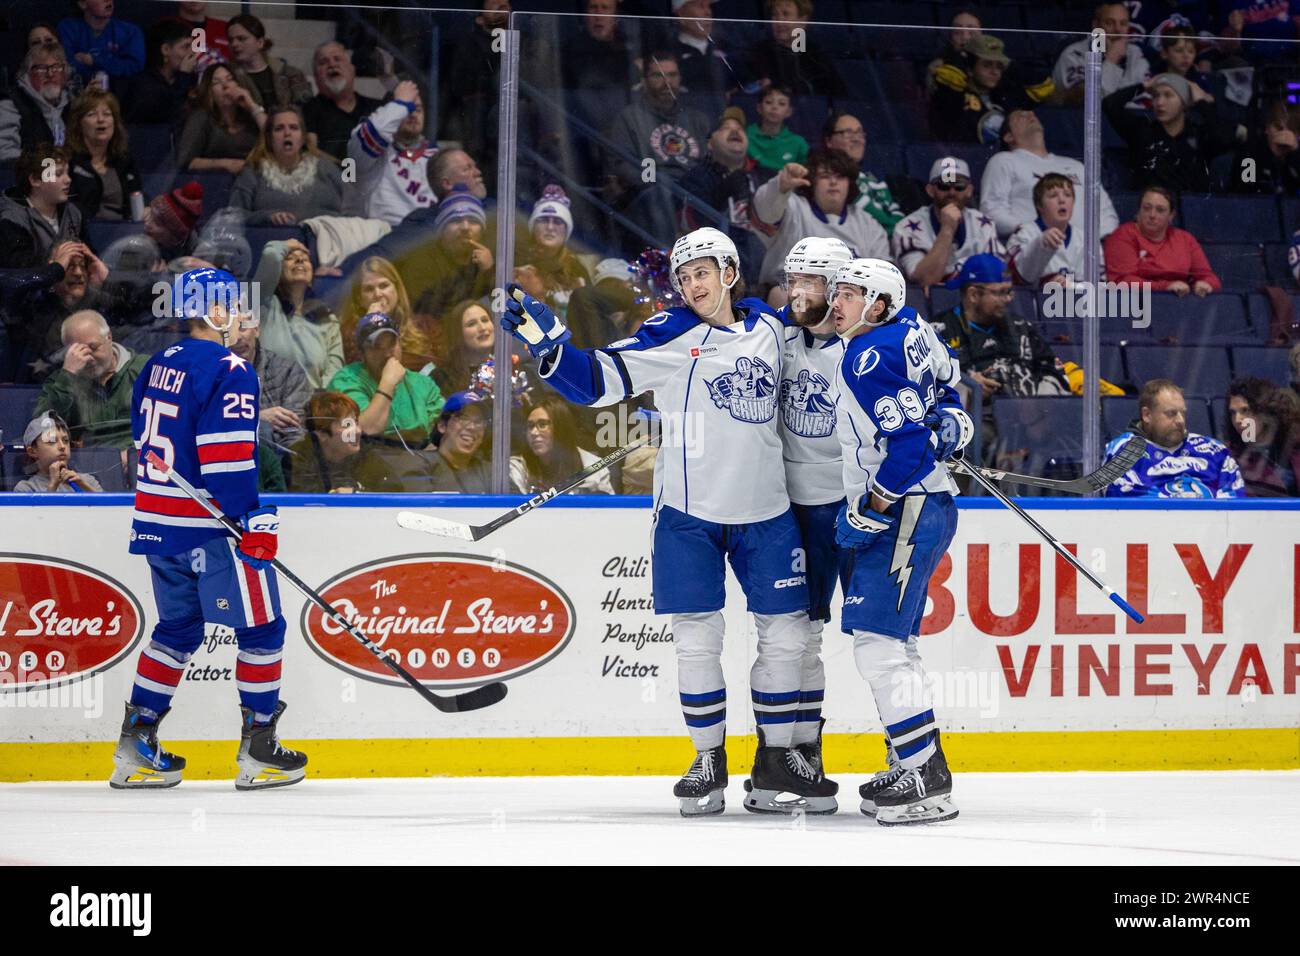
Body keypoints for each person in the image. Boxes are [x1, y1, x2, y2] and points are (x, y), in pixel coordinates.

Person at [503, 226, 831, 816]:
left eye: (702, 272)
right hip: (688, 516)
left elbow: (832, 326)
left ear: (729, 272)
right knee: (696, 642)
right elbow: (598, 383)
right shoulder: (671, 334)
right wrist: (546, 343)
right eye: (683, 277)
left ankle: (776, 759)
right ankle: (708, 758)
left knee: (785, 637)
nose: (691, 284)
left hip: (768, 512)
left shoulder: (773, 327)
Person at [112, 266, 308, 790]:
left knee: (176, 631)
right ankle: (260, 751)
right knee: (263, 629)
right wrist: (254, 520)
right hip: (212, 530)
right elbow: (225, 463)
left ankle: (136, 746)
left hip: (159, 523)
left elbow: (141, 439)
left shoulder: (156, 365)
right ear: (215, 312)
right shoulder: (232, 369)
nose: (245, 318)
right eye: (238, 308)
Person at [826, 256, 969, 825]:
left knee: (876, 647)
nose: (837, 303)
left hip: (906, 510)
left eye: (851, 295)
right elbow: (949, 387)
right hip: (932, 505)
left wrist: (872, 507)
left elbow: (908, 450)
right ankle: (919, 763)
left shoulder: (868, 356)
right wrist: (954, 422)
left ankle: (925, 777)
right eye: (837, 292)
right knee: (897, 645)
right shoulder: (915, 329)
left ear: (879, 305)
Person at [771, 237, 855, 779]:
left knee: (884, 639)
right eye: (794, 279)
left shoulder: (870, 343)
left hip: (860, 504)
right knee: (803, 632)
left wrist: (949, 415)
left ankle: (909, 752)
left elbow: (934, 374)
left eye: (813, 282)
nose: (799, 291)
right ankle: (804, 754)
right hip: (796, 507)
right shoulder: (770, 334)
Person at [753, 149, 891, 297]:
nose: (833, 182)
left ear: (849, 183)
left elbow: (883, 275)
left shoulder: (867, 223)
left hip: (848, 299)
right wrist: (780, 186)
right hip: (792, 293)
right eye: (825, 176)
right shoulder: (794, 207)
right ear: (812, 182)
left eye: (840, 177)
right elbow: (765, 214)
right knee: (780, 295)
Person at [979, 110, 1119, 241]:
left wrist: (1091, 242)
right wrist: (1031, 232)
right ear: (1008, 136)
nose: (1030, 114)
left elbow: (1105, 211)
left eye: (1031, 113)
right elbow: (991, 209)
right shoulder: (1004, 160)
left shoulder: (1076, 166)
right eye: (1020, 116)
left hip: (1082, 252)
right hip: (1034, 247)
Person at [1104, 378, 1244, 498]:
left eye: (1182, 413)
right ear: (1147, 415)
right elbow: (1128, 506)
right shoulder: (1122, 450)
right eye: (1171, 413)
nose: (1180, 421)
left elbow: (1235, 501)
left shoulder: (1215, 451)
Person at [1104, 72, 1237, 193]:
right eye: (1156, 96)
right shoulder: (1142, 130)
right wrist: (1143, 86)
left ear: (1184, 102)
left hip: (1190, 211)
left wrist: (1200, 101)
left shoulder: (1199, 135)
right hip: (1151, 210)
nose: (1160, 102)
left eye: (1168, 95)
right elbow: (1109, 104)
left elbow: (1224, 137)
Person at [34, 309, 148, 448]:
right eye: (78, 351)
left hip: (138, 461)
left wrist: (133, 454)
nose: (88, 358)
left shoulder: (146, 369)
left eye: (93, 347)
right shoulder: (61, 380)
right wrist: (68, 376)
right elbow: (41, 429)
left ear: (109, 337)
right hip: (84, 464)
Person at [328, 310, 444, 447]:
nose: (388, 353)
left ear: (400, 344)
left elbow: (443, 430)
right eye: (377, 346)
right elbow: (364, 431)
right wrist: (388, 383)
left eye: (392, 343)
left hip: (418, 462)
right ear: (362, 353)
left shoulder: (422, 383)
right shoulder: (346, 380)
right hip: (367, 462)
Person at [679, 107, 770, 279]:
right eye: (725, 128)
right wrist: (723, 192)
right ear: (710, 143)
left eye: (740, 128)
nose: (735, 131)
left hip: (762, 259)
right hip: (718, 264)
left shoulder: (763, 176)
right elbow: (692, 226)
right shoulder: (695, 178)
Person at [892, 157, 1003, 288]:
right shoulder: (906, 228)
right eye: (944, 186)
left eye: (959, 186)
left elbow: (998, 276)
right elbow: (925, 279)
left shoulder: (983, 224)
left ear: (969, 190)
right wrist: (947, 230)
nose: (952, 192)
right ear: (930, 190)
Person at [251, 238, 343, 390]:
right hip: (268, 405)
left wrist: (318, 403)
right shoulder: (261, 304)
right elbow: (270, 254)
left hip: (311, 407)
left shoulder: (326, 318)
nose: (299, 259)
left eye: (305, 259)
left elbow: (334, 372)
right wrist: (286, 245)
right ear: (277, 272)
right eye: (290, 258)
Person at [928, 34, 1055, 144]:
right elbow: (951, 77)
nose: (994, 72)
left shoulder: (1005, 95)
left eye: (999, 66)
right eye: (987, 65)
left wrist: (1010, 66)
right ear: (970, 69)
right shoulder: (953, 94)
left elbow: (1044, 87)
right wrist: (962, 60)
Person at [229, 105, 344, 226]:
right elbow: (233, 216)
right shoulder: (253, 171)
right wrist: (266, 217)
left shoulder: (326, 167)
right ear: (269, 138)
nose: (287, 133)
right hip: (271, 240)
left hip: (326, 239)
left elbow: (354, 207)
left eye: (294, 128)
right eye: (279, 129)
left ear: (303, 137)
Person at [344, 79, 435, 225]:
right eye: (407, 109)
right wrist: (401, 104)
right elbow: (376, 131)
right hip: (384, 237)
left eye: (417, 109)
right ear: (391, 111)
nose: (413, 114)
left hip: (428, 238)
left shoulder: (437, 157)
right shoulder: (370, 154)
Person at [1103, 185, 1220, 295]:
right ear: (1138, 211)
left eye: (1160, 210)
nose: (1152, 215)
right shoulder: (1121, 237)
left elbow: (1209, 277)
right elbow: (1122, 281)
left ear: (1171, 216)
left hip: (1180, 303)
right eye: (1147, 208)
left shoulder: (1185, 239)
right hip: (1136, 304)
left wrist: (1205, 284)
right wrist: (1165, 287)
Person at [226, 303, 310, 450]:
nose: (237, 338)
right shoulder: (210, 375)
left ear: (256, 329)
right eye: (229, 331)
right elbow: (211, 430)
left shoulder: (287, 372)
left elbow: (294, 439)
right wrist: (258, 418)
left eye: (242, 328)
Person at [287, 391, 400, 493]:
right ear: (322, 434)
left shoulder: (364, 455)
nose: (358, 431)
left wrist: (357, 493)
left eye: (356, 422)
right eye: (347, 425)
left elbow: (394, 490)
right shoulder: (296, 459)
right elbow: (304, 503)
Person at [340, 255, 434, 371]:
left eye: (383, 286)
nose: (378, 294)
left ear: (397, 290)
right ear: (359, 299)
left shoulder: (425, 325)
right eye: (369, 289)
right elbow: (361, 372)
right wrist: (371, 324)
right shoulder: (349, 332)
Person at [0, 144, 85, 269]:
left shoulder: (73, 213)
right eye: (58, 174)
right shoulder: (11, 219)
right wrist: (57, 262)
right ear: (35, 180)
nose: (68, 180)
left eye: (67, 172)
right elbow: (19, 270)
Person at [510, 394, 614, 495]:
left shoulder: (594, 467)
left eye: (542, 425)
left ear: (561, 428)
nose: (534, 433)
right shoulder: (517, 467)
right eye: (530, 426)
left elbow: (609, 510)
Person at [514, 185, 590, 321]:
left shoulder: (577, 268)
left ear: (567, 230)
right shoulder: (518, 261)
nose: (550, 227)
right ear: (533, 227)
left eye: (558, 222)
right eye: (543, 220)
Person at [66, 87, 142, 222]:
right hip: (82, 234)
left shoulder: (124, 161)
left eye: (107, 114)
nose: (101, 120)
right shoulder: (68, 161)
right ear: (79, 124)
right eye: (91, 114)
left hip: (122, 233)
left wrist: (145, 209)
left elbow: (136, 194)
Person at [820, 112, 904, 233]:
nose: (857, 139)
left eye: (860, 133)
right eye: (848, 133)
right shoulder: (828, 182)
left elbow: (899, 220)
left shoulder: (875, 181)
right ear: (828, 141)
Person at [175, 63, 266, 174]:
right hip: (217, 180)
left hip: (255, 177)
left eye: (230, 79)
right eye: (216, 82)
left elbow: (275, 139)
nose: (225, 86)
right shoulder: (201, 117)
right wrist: (227, 164)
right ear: (209, 92)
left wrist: (252, 105)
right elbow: (186, 161)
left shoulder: (251, 115)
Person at [1005, 173, 1093, 287]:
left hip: (1078, 304)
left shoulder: (1086, 239)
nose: (1062, 200)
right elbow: (1017, 277)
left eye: (1067, 195)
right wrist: (1041, 244)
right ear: (1039, 205)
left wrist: (1073, 286)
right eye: (1053, 196)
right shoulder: (1024, 233)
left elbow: (1099, 288)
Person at [744, 0, 841, 97]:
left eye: (786, 14)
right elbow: (743, 89)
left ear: (803, 21)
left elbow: (840, 96)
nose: (779, 21)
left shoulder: (815, 55)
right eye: (774, 15)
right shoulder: (758, 52)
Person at [303, 42, 381, 162]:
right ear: (316, 76)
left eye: (338, 59)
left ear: (352, 69)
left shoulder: (377, 108)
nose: (332, 64)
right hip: (332, 178)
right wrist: (348, 171)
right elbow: (310, 150)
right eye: (323, 62)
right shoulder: (306, 110)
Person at [1053, 2, 1149, 101]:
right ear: (1096, 25)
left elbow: (1142, 100)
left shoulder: (1135, 53)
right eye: (1110, 23)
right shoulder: (1074, 54)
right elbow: (1088, 101)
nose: (1118, 30)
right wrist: (1112, 59)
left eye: (1123, 23)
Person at [1225, 377, 1300, 497]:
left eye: (1245, 410)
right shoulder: (1230, 458)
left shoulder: (1293, 448)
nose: (1237, 419)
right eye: (1233, 413)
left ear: (1265, 410)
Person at [115, 18, 198, 127]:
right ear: (165, 50)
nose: (192, 53)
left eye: (192, 47)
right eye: (186, 47)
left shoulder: (190, 80)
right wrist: (183, 77)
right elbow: (168, 115)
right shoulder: (144, 85)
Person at [0, 43, 74, 162]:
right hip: (30, 177)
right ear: (27, 74)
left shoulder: (73, 105)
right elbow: (5, 153)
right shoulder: (11, 104)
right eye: (41, 69)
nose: (50, 74)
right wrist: (47, 168)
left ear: (64, 74)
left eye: (56, 67)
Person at [224, 14, 310, 110]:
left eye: (241, 39)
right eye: (230, 40)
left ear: (260, 42)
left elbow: (305, 112)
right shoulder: (228, 77)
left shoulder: (291, 75)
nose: (234, 44)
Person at [11, 412, 104, 492]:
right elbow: (38, 513)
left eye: (66, 440)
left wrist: (83, 485)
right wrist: (53, 485)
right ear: (32, 451)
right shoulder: (26, 488)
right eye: (51, 441)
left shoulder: (88, 480)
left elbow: (107, 510)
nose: (62, 446)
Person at [58, 0, 145, 81]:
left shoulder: (130, 32)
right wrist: (112, 66)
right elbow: (66, 64)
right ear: (82, 4)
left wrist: (95, 61)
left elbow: (135, 67)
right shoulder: (67, 28)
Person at [560, 0, 637, 91]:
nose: (599, 15)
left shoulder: (629, 48)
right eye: (593, 7)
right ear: (585, 16)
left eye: (605, 8)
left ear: (616, 17)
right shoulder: (569, 50)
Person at [428, 390, 492, 493]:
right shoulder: (423, 466)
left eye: (478, 421)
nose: (472, 427)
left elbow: (520, 506)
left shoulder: (490, 472)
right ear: (442, 425)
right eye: (464, 418)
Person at [433, 298, 495, 396]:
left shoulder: (508, 367)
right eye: (472, 324)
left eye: (485, 320)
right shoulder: (442, 378)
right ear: (458, 334)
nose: (482, 328)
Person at [746, 85, 808, 174]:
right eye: (768, 102)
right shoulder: (745, 136)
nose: (774, 107)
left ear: (788, 112)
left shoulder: (799, 143)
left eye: (781, 104)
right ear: (759, 108)